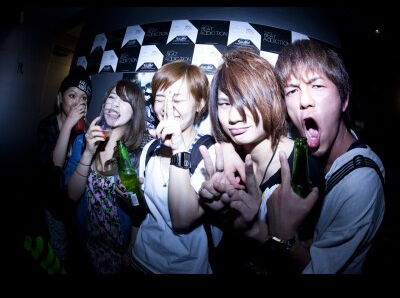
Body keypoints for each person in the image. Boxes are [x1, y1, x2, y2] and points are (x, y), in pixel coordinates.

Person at [219, 40, 385, 274]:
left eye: (317, 86)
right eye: (292, 90)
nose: (304, 101)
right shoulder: (302, 150)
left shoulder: (359, 183)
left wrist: (284, 236)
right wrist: (225, 147)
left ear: (344, 100)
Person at [197, 47, 325, 274]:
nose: (234, 117)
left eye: (246, 101)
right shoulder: (229, 159)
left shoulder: (304, 171)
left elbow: (310, 262)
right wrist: (220, 211)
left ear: (271, 98)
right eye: (225, 103)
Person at [129, 60, 222, 274]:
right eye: (160, 98)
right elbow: (146, 210)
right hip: (141, 259)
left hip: (187, 267)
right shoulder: (150, 149)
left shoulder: (209, 153)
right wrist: (132, 193)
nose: (167, 107)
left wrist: (178, 148)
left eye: (177, 99)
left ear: (199, 104)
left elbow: (181, 220)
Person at [67, 79, 146, 274]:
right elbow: (72, 195)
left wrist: (131, 247)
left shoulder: (136, 159)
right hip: (85, 244)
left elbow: (138, 214)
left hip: (119, 253)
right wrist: (88, 152)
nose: (115, 103)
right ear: (104, 104)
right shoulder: (82, 142)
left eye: (124, 100)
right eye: (112, 97)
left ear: (135, 112)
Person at [37, 65, 92, 271]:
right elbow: (55, 167)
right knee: (58, 255)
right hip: (53, 205)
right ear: (60, 98)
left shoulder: (84, 132)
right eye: (72, 95)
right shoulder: (47, 126)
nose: (78, 102)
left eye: (84, 98)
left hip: (75, 209)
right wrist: (68, 124)